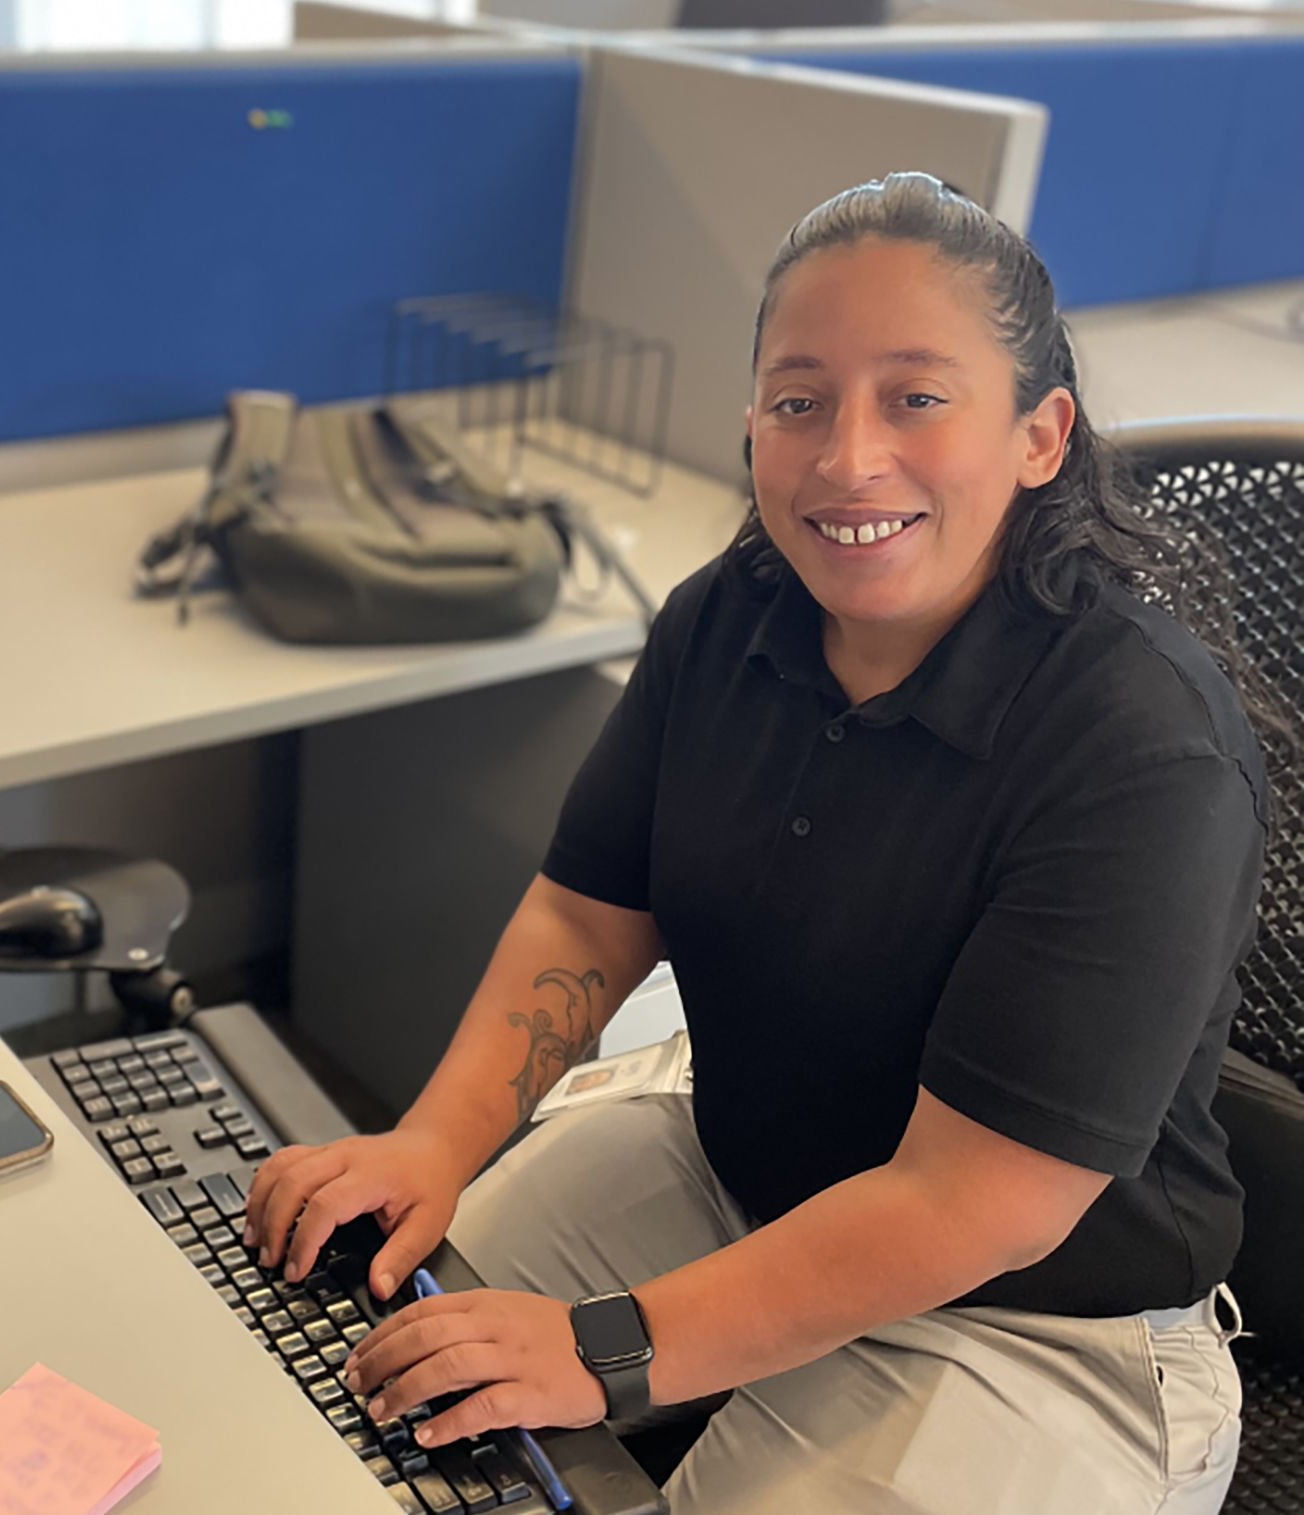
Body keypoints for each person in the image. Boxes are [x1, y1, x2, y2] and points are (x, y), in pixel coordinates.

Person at [242, 173, 1276, 1515]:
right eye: (800, 400)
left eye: (916, 396)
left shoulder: (1141, 747)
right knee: (363, 1364)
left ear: (1039, 435)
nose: (848, 458)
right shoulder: (729, 616)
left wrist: (604, 1350)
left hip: (1043, 1322)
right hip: (740, 1178)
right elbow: (588, 916)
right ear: (752, 429)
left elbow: (978, 1203)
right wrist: (432, 1141)